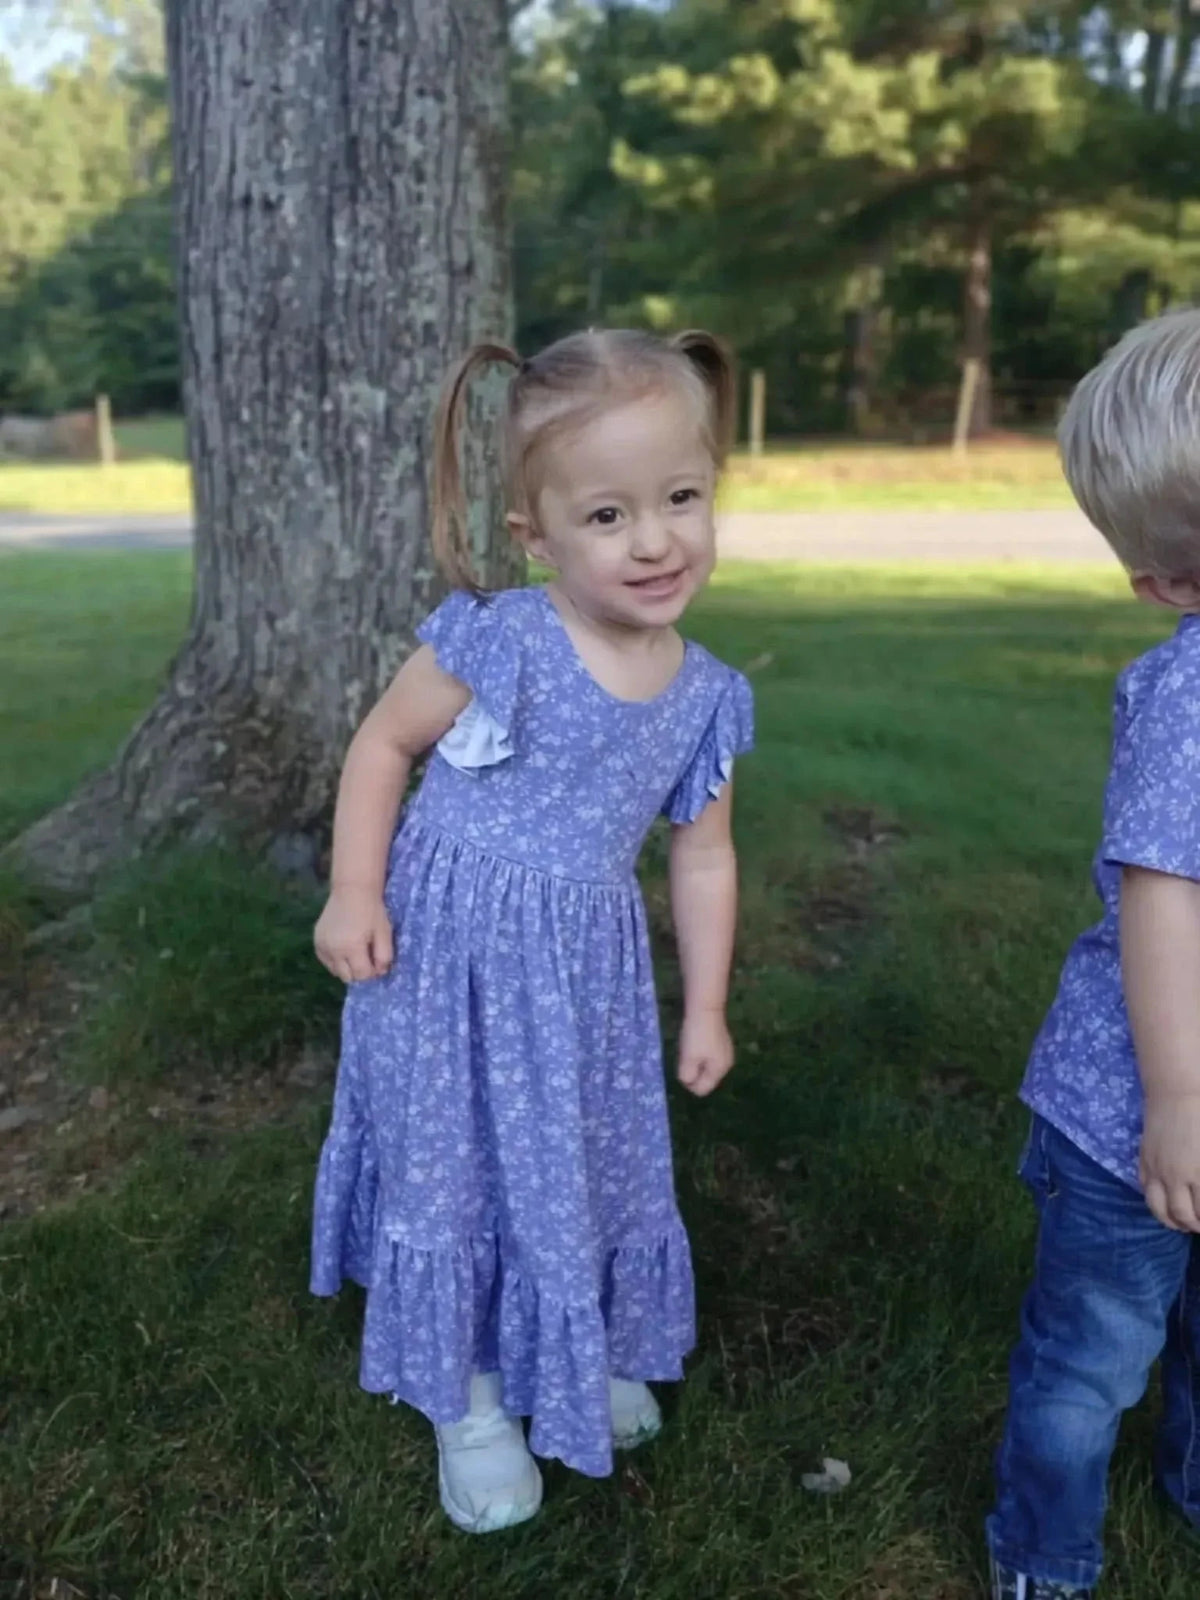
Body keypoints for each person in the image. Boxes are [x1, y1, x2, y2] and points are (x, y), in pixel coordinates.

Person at [309, 327, 754, 1534]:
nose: (655, 539)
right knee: (460, 1167)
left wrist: (705, 1002)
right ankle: (471, 1393)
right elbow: (383, 745)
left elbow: (701, 853)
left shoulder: (707, 693)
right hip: (447, 967)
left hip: (584, 982)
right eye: (608, 516)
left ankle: (578, 1338)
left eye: (680, 498)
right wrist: (356, 889)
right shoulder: (499, 638)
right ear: (536, 536)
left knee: (583, 1155)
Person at [988, 307, 1200, 1599]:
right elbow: (1164, 897)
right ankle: (1045, 1553)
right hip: (1136, 1113)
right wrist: (1178, 1107)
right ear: (1174, 586)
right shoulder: (1191, 697)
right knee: (1087, 1364)